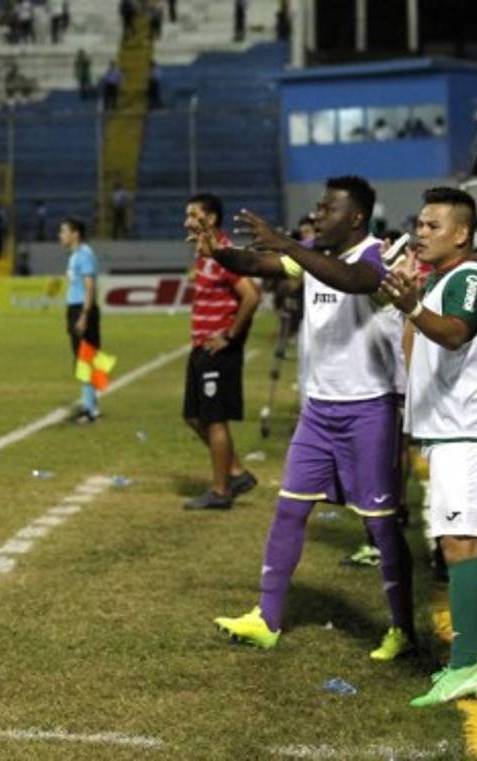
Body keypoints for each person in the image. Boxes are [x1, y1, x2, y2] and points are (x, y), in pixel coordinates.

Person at [203, 176, 415, 663]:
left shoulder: (379, 257)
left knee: (381, 526)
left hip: (369, 411)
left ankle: (403, 628)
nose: (318, 214)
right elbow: (257, 263)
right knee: (290, 509)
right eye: (318, 207)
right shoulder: (313, 255)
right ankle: (267, 619)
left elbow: (355, 281)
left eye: (328, 208)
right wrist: (217, 250)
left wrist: (289, 244)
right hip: (319, 411)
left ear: (356, 218)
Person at [380, 187, 477, 707]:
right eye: (420, 223)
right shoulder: (442, 280)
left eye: (433, 225)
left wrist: (412, 305)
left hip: (469, 429)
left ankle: (462, 664)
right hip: (462, 428)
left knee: (458, 543)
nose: (421, 232)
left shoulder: (470, 277)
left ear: (461, 233)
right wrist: (411, 304)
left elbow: (455, 334)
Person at [181, 193, 261, 509]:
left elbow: (251, 296)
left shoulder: (224, 254)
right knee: (193, 416)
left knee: (215, 420)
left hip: (218, 350)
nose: (186, 220)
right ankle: (236, 471)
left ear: (210, 219)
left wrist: (229, 336)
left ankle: (220, 491)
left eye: (192, 214)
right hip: (201, 347)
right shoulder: (205, 252)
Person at [61, 217, 102, 423]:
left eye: (64, 231)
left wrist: (84, 315)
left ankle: (90, 408)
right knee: (88, 357)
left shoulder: (83, 255)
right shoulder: (77, 255)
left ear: (75, 234)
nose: (61, 236)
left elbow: (89, 287)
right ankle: (92, 404)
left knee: (85, 358)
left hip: (81, 309)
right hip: (78, 308)